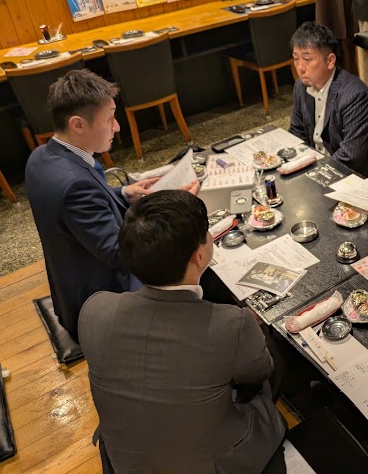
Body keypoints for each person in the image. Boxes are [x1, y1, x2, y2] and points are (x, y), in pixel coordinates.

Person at [79, 190, 286, 472]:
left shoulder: (94, 309)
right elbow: (260, 371)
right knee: (273, 356)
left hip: (125, 459)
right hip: (210, 465)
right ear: (199, 256)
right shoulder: (232, 325)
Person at [25, 70, 197, 339]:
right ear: (78, 125)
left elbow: (82, 205)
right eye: (109, 119)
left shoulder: (41, 156)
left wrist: (125, 192)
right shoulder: (74, 186)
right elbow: (121, 253)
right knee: (193, 257)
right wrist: (175, 208)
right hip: (99, 301)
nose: (117, 127)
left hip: (71, 280)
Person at [288, 22, 368, 179]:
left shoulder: (355, 96)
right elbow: (297, 132)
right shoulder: (300, 86)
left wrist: (314, 176)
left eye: (307, 59)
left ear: (330, 61)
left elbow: (349, 156)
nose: (300, 67)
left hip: (357, 176)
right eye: (296, 59)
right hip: (317, 167)